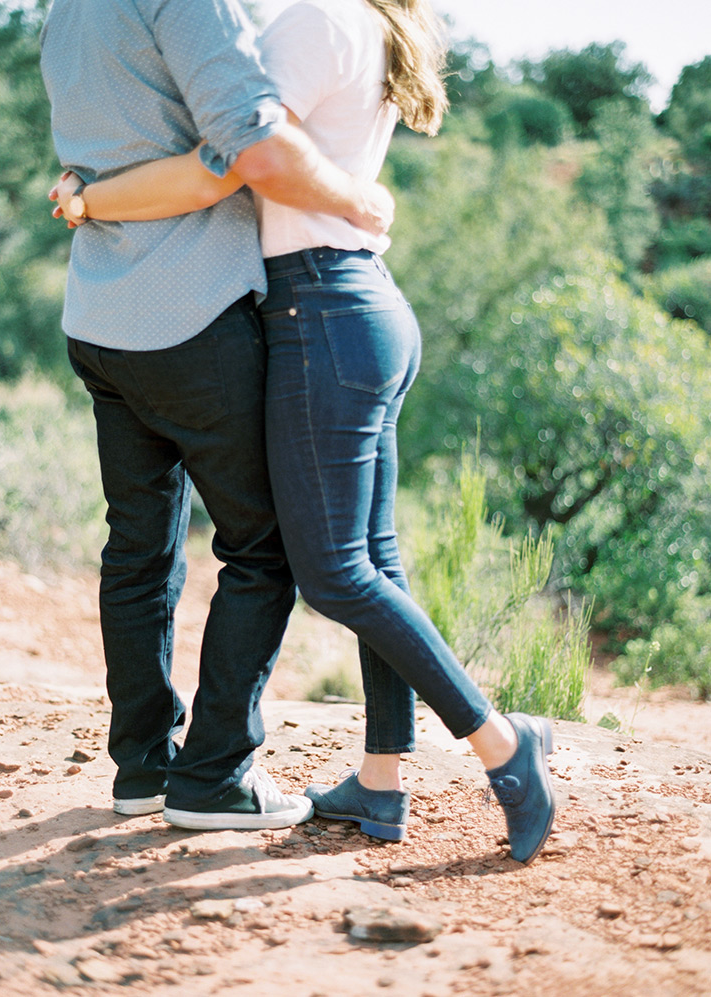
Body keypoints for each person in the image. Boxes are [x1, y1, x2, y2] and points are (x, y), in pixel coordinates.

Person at [50, 0, 557, 864]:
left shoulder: (304, 20)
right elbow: (245, 151)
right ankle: (373, 780)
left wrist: (87, 197)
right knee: (351, 560)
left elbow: (245, 157)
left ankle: (501, 747)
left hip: (301, 307)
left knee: (322, 568)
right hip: (313, 303)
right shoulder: (318, 19)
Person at [39, 0, 396, 832]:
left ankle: (143, 768)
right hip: (192, 316)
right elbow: (251, 152)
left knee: (137, 549)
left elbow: (116, 153)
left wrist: (87, 203)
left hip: (97, 316)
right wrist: (357, 198)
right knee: (264, 547)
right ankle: (214, 776)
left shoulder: (66, 10)